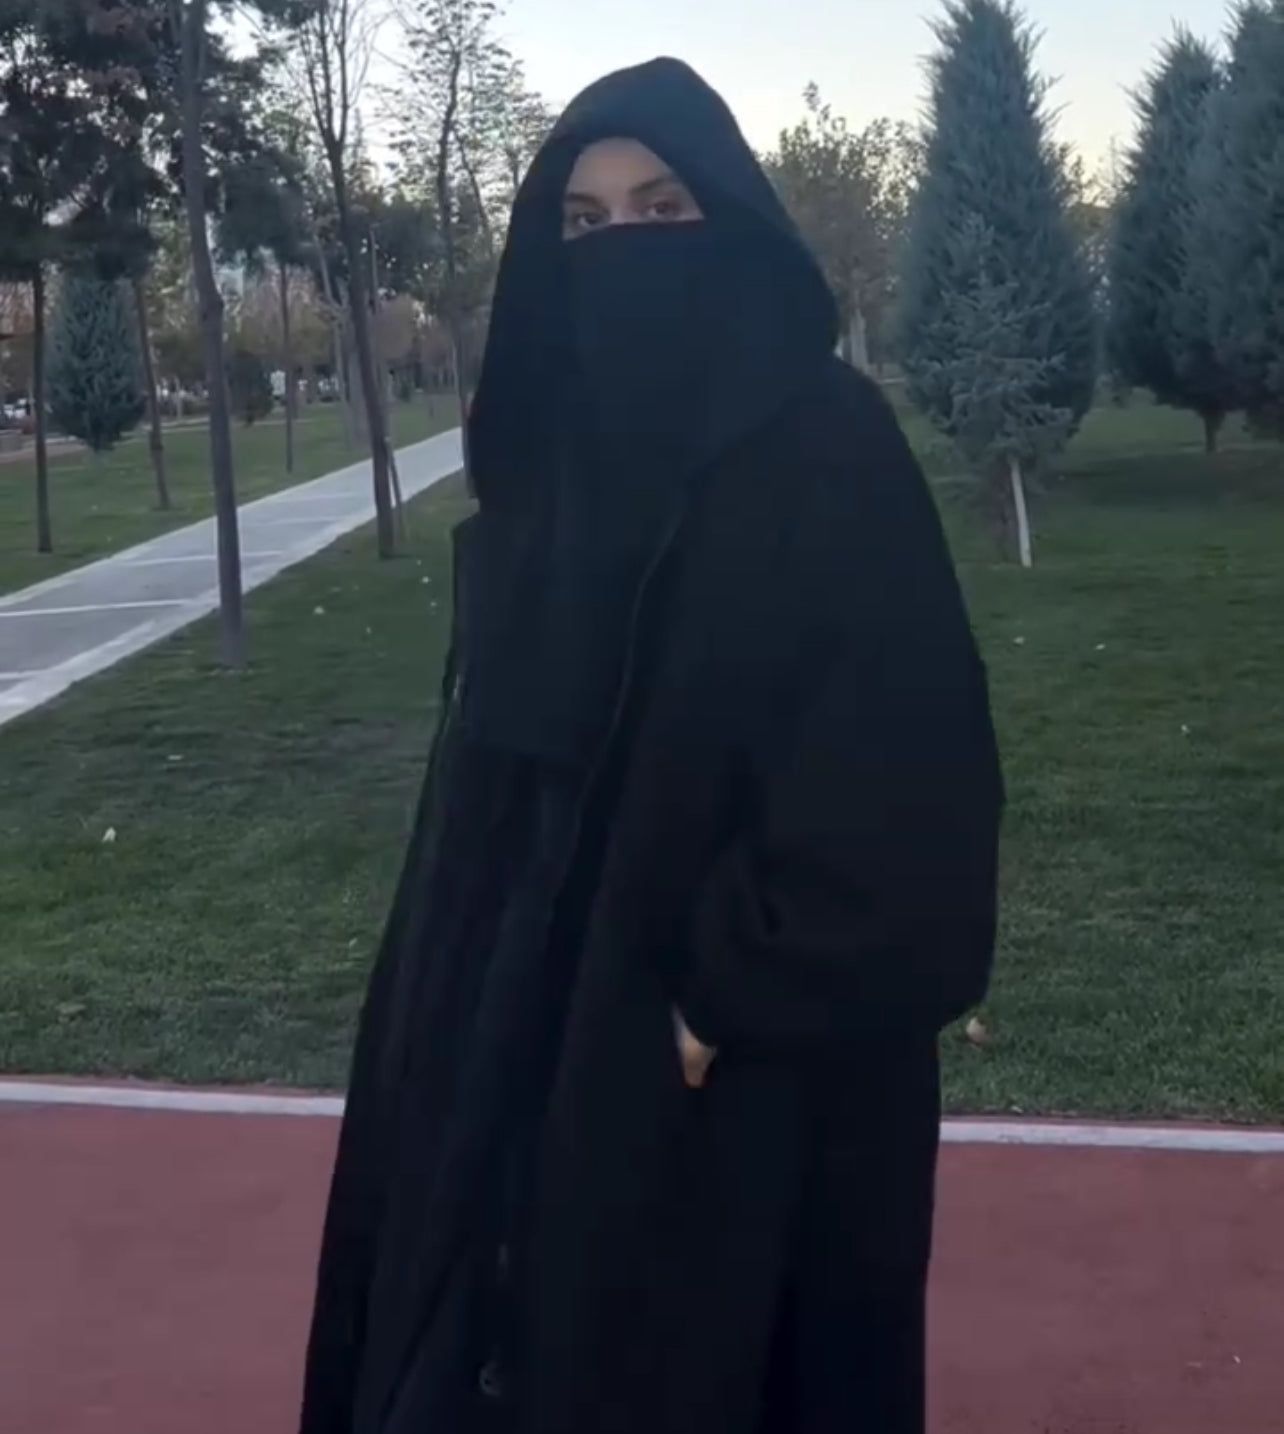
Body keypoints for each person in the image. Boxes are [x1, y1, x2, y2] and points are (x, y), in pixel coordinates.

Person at [299, 57, 1003, 1434]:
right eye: (585, 222)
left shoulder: (828, 449)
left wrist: (704, 1005)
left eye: (662, 208)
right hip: (510, 1051)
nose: (621, 247)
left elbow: (912, 811)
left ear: (727, 222)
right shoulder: (550, 461)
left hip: (739, 1106)